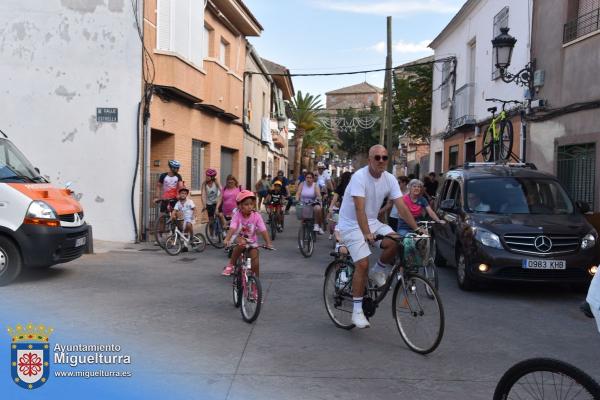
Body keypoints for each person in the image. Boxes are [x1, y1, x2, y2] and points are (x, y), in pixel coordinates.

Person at [337, 145, 421, 329]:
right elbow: (359, 209)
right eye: (377, 157)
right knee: (362, 263)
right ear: (370, 160)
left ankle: (379, 269)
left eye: (384, 157)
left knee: (397, 241)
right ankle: (357, 311)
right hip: (351, 224)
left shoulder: (390, 179)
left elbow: (401, 207)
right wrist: (367, 234)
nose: (381, 161)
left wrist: (417, 229)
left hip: (372, 221)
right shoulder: (359, 177)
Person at [223, 190, 273, 276]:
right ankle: (231, 264)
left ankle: (255, 282)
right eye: (246, 204)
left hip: (252, 241)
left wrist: (268, 243)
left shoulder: (257, 216)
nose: (249, 207)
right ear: (239, 206)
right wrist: (227, 239)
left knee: (255, 261)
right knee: (241, 243)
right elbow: (232, 228)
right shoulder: (237, 215)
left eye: (251, 204)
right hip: (238, 238)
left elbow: (263, 230)